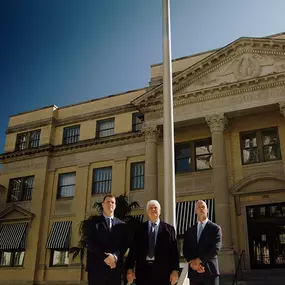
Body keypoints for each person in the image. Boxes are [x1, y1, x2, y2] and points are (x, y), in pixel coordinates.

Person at [126, 200, 180, 285]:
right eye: (151, 208)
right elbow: (133, 250)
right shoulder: (139, 230)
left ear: (160, 211)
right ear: (147, 212)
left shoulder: (169, 229)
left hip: (163, 273)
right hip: (143, 272)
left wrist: (175, 270)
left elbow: (174, 252)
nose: (153, 209)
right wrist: (129, 268)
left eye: (156, 208)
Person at [85, 194, 129, 285]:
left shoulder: (122, 225)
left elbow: (124, 245)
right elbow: (90, 243)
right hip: (96, 270)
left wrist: (115, 257)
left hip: (115, 269)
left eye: (112, 202)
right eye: (107, 202)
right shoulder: (93, 222)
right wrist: (105, 258)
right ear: (103, 204)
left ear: (115, 206)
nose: (110, 204)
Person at [183, 200, 222, 285]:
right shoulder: (190, 230)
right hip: (194, 273)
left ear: (207, 210)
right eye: (198, 207)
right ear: (195, 211)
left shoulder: (215, 228)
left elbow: (216, 248)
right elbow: (186, 249)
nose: (201, 209)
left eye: (203, 207)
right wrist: (193, 263)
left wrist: (199, 261)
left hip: (210, 272)